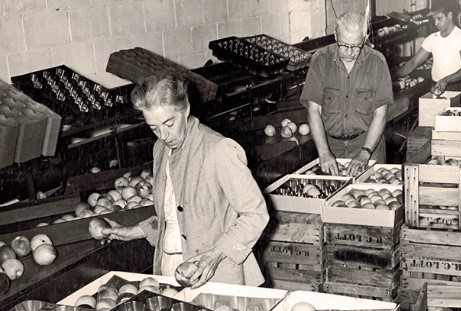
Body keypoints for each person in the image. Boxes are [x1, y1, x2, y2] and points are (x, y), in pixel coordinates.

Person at [101, 74, 269, 289]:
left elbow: (255, 214)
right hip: (170, 269)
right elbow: (177, 215)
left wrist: (215, 255)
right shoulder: (160, 149)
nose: (163, 135)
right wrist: (134, 231)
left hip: (218, 273)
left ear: (185, 109)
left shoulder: (218, 149)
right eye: (154, 128)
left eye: (169, 123)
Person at [300, 12, 394, 176]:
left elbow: (381, 114)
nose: (349, 52)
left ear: (364, 39)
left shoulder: (377, 62)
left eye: (356, 46)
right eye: (344, 45)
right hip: (330, 148)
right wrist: (323, 152)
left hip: (368, 144)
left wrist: (365, 153)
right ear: (336, 35)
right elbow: (313, 110)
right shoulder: (320, 60)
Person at [396, 0, 461, 94]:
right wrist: (394, 76)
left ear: (449, 15)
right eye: (434, 19)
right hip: (436, 86)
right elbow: (413, 62)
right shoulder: (432, 38)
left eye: (439, 18)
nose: (436, 23)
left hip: (457, 88)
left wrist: (446, 79)